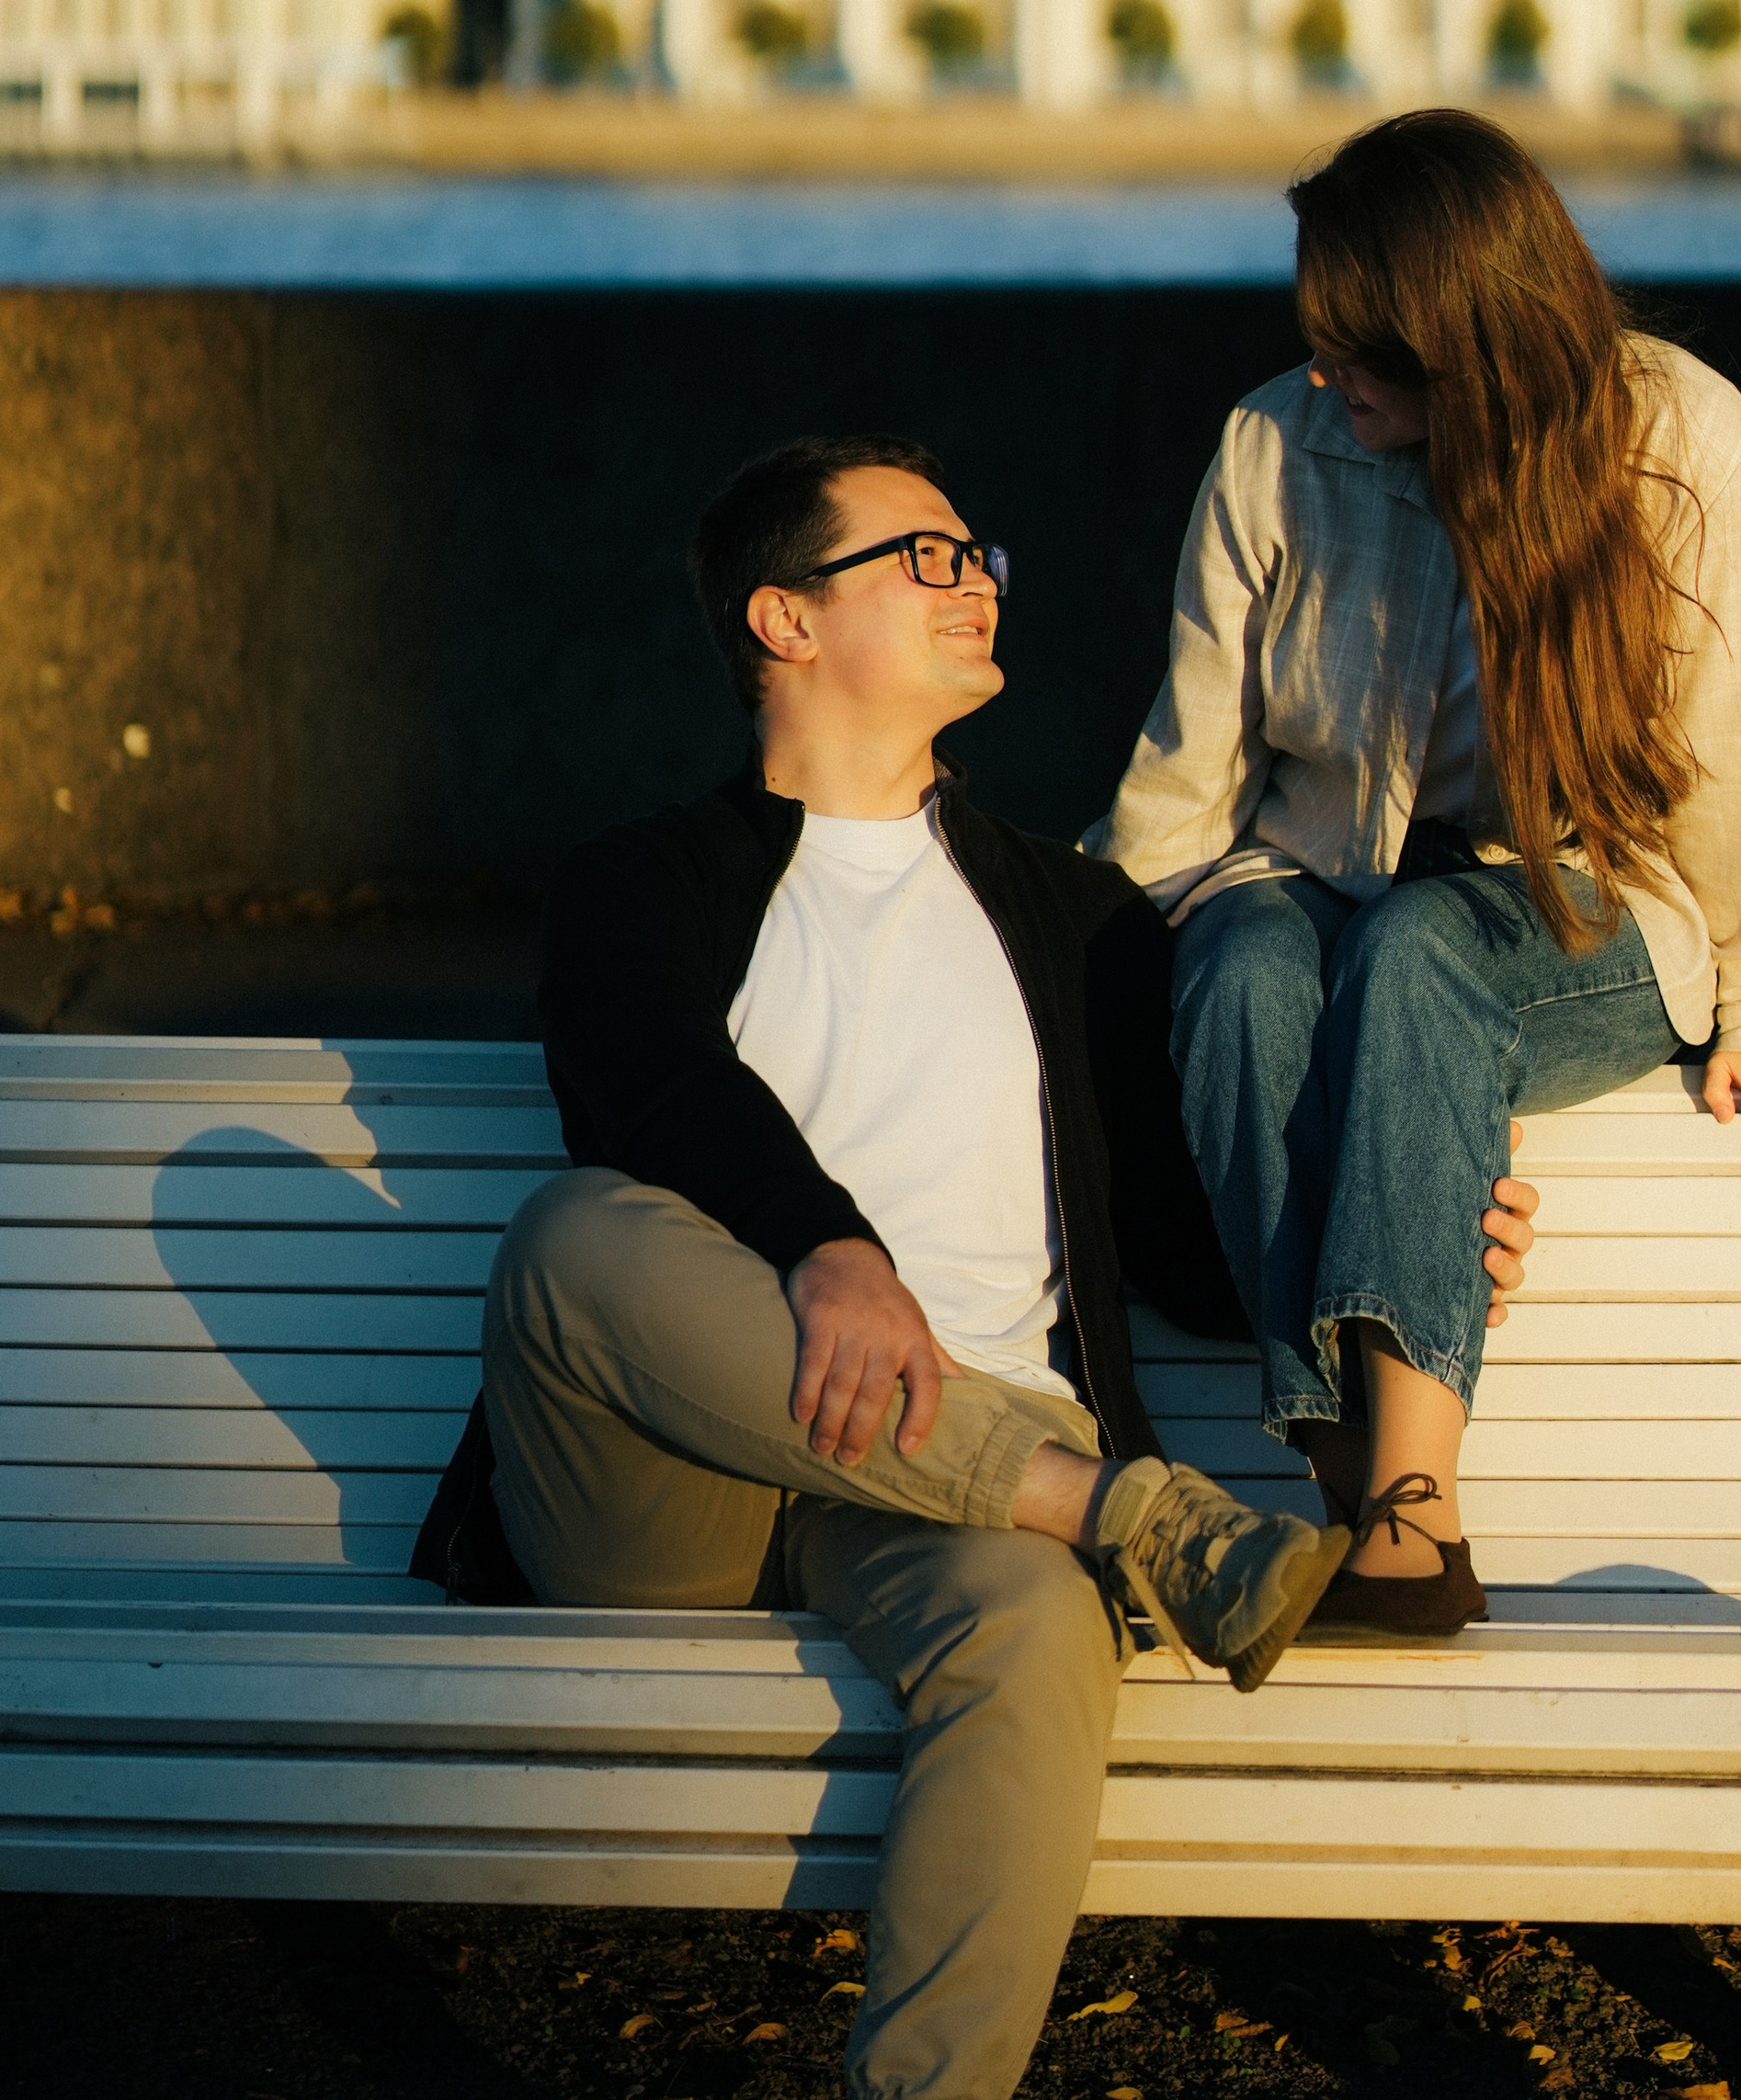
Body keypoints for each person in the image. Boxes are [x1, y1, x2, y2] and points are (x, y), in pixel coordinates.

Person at [427, 428, 1538, 2100]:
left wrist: (1414, 1227)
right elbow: (645, 1088)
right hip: (675, 1486)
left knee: (1037, 1634)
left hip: (965, 1491)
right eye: (924, 557)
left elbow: (1180, 1234)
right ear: (784, 621)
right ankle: (1135, 1519)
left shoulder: (1077, 916)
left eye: (977, 556)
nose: (977, 583)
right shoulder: (640, 883)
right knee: (572, 1234)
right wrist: (827, 1246)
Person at [1088, 108, 1741, 1641]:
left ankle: (1412, 1517)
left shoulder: (1683, 443)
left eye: (1364, 351)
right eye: (1319, 339)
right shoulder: (1273, 444)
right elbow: (1185, 778)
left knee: (1425, 948)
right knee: (1239, 965)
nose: (1328, 378)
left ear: (1470, 342)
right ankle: (1337, 1466)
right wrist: (1083, 976)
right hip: (1319, 878)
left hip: (1591, 907)